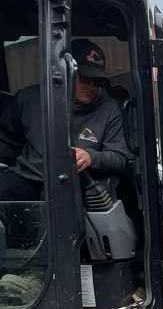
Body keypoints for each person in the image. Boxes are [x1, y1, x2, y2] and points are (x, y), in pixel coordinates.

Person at [0, 39, 130, 200]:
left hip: (79, 184)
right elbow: (6, 143)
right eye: (86, 79)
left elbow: (120, 158)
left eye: (98, 81)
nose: (92, 86)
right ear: (65, 73)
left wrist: (91, 157)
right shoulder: (28, 99)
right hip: (28, 178)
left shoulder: (110, 109)